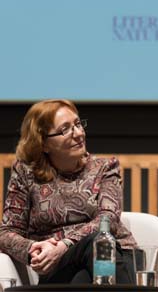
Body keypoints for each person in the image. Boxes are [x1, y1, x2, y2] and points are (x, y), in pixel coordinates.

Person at [0, 99, 138, 284]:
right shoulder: (26, 173)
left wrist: (64, 244)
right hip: (60, 264)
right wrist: (34, 248)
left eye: (78, 124)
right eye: (65, 129)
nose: (79, 133)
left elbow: (108, 219)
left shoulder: (105, 167)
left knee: (94, 248)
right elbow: (7, 232)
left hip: (114, 254)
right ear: (43, 143)